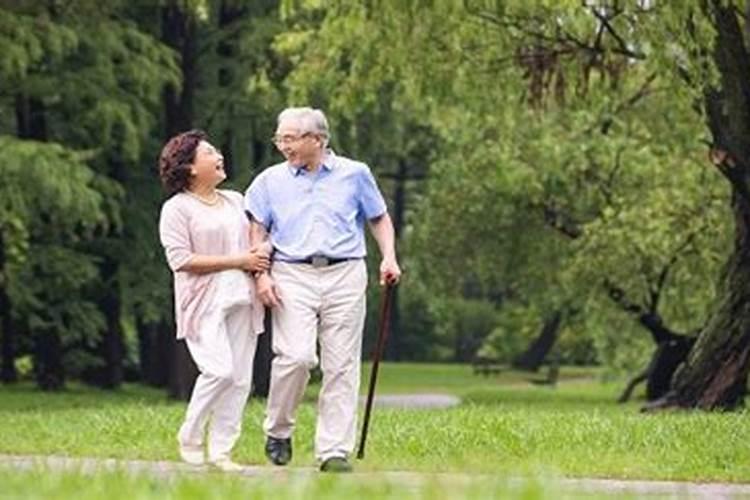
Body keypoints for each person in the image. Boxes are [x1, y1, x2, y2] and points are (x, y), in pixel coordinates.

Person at [245, 107, 401, 473]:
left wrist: (389, 257)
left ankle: (333, 450)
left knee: (341, 365)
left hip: (345, 272)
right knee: (296, 357)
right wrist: (261, 276)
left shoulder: (355, 173)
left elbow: (378, 217)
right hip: (291, 273)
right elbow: (257, 229)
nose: (283, 146)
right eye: (279, 138)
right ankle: (279, 429)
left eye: (290, 138)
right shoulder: (270, 181)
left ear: (317, 139)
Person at [158, 129, 269, 472]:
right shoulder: (177, 208)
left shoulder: (235, 200)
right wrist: (239, 260)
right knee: (219, 370)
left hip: (242, 298)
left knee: (239, 380)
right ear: (190, 167)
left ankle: (221, 453)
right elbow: (181, 260)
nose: (219, 156)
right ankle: (190, 434)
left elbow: (258, 235)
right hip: (202, 302)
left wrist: (261, 250)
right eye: (210, 153)